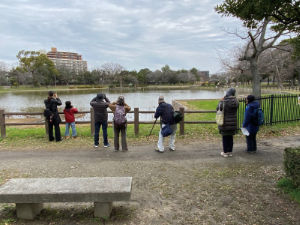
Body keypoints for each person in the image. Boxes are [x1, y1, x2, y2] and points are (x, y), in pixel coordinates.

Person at [216, 88, 239, 157]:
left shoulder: (224, 101)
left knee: (225, 138)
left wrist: (220, 101)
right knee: (230, 138)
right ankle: (230, 152)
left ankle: (225, 152)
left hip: (225, 123)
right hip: (233, 123)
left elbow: (218, 108)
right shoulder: (236, 101)